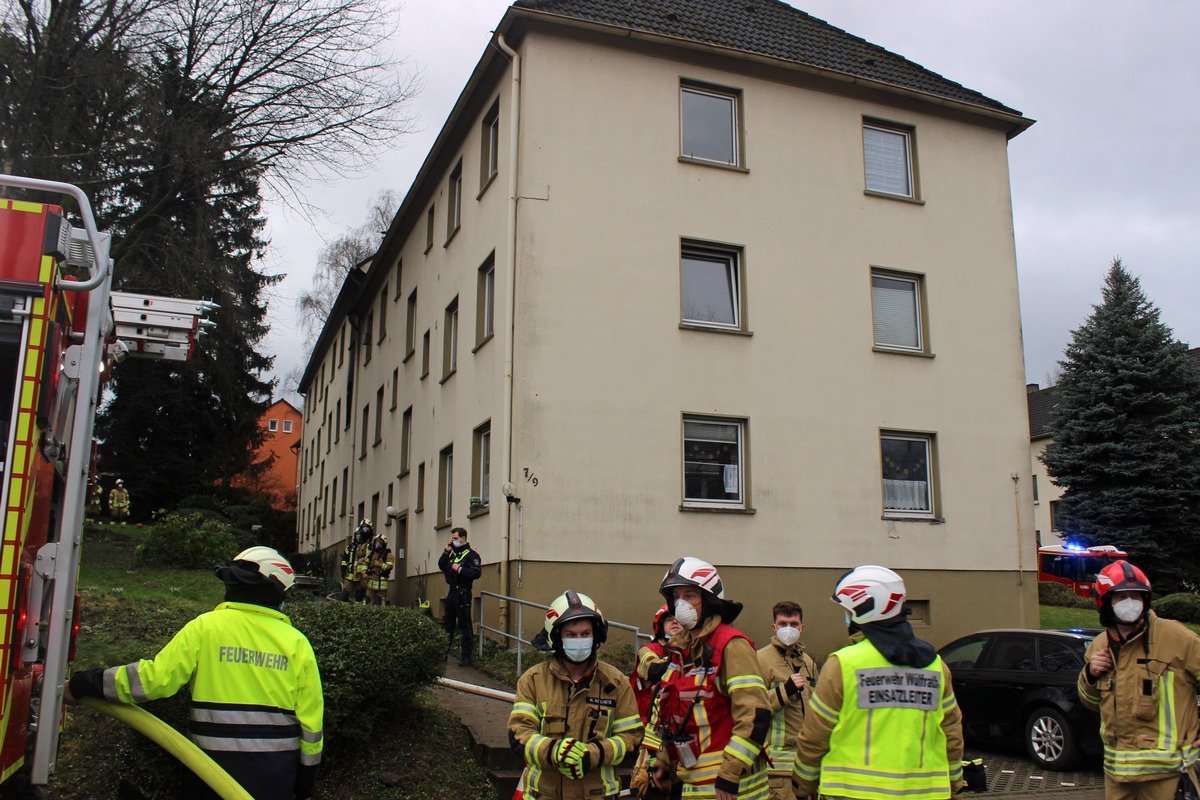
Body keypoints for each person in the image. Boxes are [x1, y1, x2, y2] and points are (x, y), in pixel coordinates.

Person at [66, 546, 324, 800]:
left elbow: (153, 680)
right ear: (276, 591)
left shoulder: (205, 628)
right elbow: (311, 724)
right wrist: (305, 784)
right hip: (274, 776)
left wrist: (86, 683)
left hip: (208, 770)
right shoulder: (296, 643)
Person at [793, 565, 963, 800]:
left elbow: (815, 736)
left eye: (849, 611)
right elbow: (951, 735)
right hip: (926, 793)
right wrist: (956, 786)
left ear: (865, 610)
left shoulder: (843, 664)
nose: (847, 617)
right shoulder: (936, 665)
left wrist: (803, 785)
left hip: (852, 792)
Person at [649, 557, 771, 800]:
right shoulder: (680, 651)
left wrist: (730, 774)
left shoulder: (731, 646)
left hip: (734, 790)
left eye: (690, 595)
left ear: (709, 599)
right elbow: (679, 716)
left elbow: (755, 715)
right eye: (676, 597)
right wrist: (665, 761)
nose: (681, 603)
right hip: (695, 786)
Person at [1077, 560, 1200, 800]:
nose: (1130, 603)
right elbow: (1090, 702)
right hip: (1118, 780)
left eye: (1136, 596)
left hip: (1167, 777)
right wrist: (1090, 674)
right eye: (1121, 597)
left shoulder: (1174, 636)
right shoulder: (1099, 647)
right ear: (1104, 602)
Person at [508, 590, 644, 799]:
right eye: (571, 635)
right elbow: (519, 736)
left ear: (595, 635)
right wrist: (554, 751)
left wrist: (592, 755)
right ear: (557, 638)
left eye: (585, 634)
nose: (579, 640)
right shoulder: (532, 680)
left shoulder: (616, 683)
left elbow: (631, 740)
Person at [756, 601, 818, 800]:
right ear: (774, 627)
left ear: (802, 628)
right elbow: (750, 707)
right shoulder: (761, 659)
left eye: (793, 624)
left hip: (806, 767)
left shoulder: (808, 663)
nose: (788, 629)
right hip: (777, 769)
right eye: (783, 624)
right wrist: (785, 691)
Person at [629, 605, 684, 799]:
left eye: (678, 618)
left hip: (682, 733)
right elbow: (652, 670)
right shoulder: (649, 650)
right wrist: (683, 653)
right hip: (651, 738)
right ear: (659, 627)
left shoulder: (693, 650)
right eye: (670, 620)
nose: (675, 622)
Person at [438, 526, 481, 666]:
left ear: (463, 538)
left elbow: (476, 573)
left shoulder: (471, 555)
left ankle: (466, 657)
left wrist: (460, 569)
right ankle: (443, 654)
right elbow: (442, 565)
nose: (453, 541)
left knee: (464, 625)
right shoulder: (454, 553)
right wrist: (446, 551)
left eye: (455, 538)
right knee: (448, 624)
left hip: (463, 593)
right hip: (451, 592)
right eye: (452, 539)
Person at [339, 520, 372, 602]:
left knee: (359, 594)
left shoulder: (366, 546)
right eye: (356, 535)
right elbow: (344, 560)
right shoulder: (350, 547)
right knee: (345, 593)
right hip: (350, 574)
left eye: (359, 535)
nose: (358, 537)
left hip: (360, 575)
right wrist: (343, 569)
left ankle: (357, 610)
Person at [364, 529, 393, 606]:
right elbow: (365, 562)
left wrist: (379, 564)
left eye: (379, 543)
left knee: (380, 603)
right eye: (376, 543)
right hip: (371, 581)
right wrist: (364, 572)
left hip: (381, 582)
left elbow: (389, 567)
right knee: (368, 600)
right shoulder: (372, 554)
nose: (377, 545)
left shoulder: (388, 555)